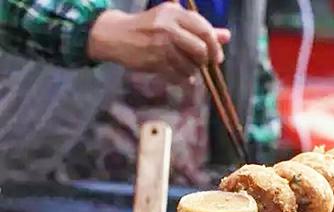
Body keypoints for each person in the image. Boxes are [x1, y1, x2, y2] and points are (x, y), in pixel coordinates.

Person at [0, 0, 279, 186]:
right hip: (50, 150)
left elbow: (249, 44)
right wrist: (96, 29)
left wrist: (258, 153)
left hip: (196, 157)